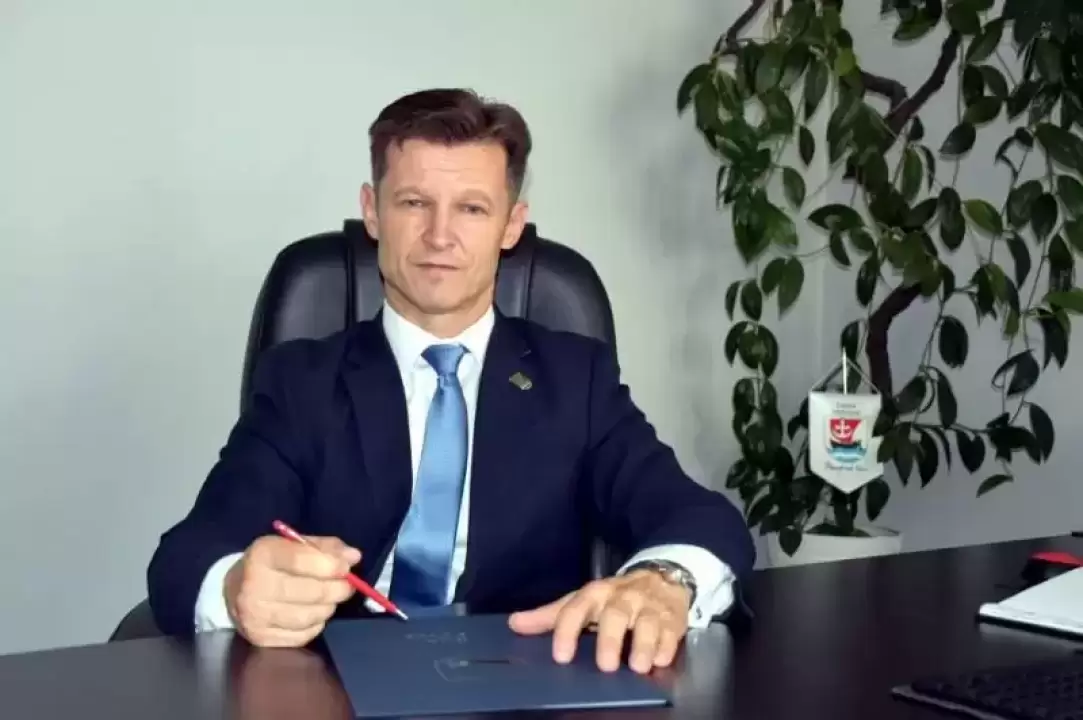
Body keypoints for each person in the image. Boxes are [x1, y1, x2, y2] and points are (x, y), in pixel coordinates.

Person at [147, 88, 755, 675]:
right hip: (334, 684)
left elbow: (700, 518)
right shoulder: (301, 382)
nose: (440, 236)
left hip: (527, 683)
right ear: (372, 211)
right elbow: (187, 556)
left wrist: (666, 581)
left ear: (511, 225)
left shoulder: (578, 380)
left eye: (472, 208)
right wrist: (234, 588)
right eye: (414, 203)